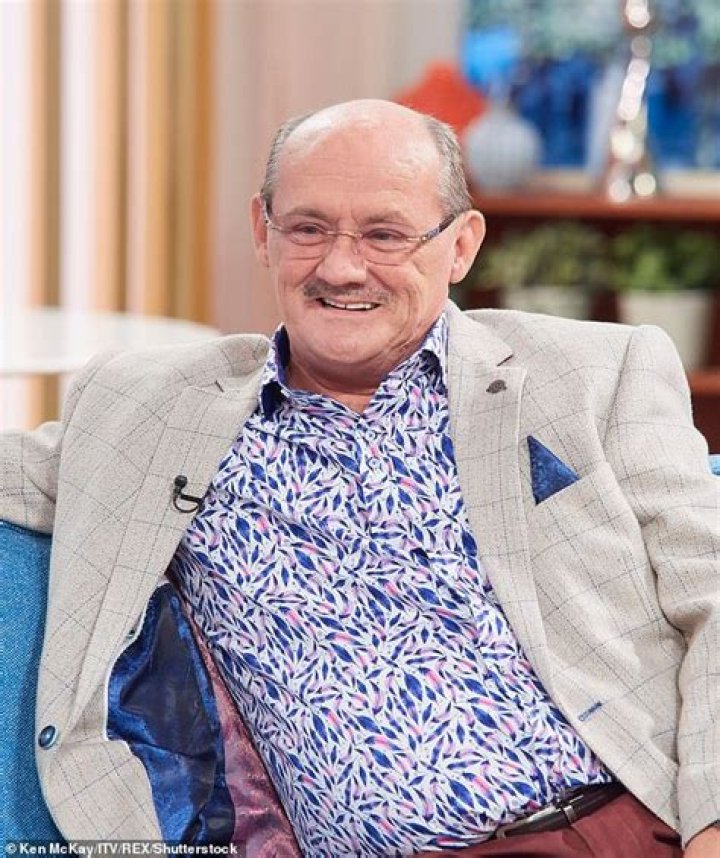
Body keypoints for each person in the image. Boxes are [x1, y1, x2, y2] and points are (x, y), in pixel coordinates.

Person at [0, 99, 718, 858]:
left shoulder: (596, 374)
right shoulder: (154, 411)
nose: (341, 269)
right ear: (263, 232)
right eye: (308, 229)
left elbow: (712, 591)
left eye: (385, 234)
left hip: (640, 820)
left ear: (462, 245)